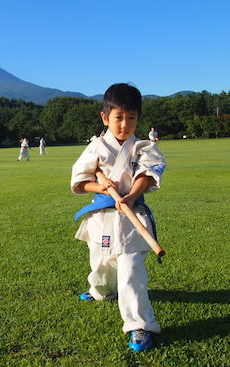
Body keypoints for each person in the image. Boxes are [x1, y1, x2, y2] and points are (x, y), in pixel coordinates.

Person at [71, 83, 166, 352]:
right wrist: (98, 186)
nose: (125, 124)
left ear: (138, 118)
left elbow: (147, 175)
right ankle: (101, 291)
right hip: (102, 216)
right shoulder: (95, 148)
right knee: (101, 264)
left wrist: (132, 195)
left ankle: (139, 325)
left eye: (131, 118)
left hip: (132, 214)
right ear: (105, 117)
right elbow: (81, 179)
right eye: (119, 117)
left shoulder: (144, 147)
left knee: (131, 270)